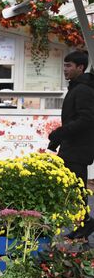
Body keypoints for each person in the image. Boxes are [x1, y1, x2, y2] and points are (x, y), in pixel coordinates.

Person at [48, 50, 94, 239]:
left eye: (69, 66)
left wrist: (60, 133)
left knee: (75, 186)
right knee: (75, 186)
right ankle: (84, 223)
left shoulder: (83, 90)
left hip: (78, 147)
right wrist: (58, 138)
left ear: (80, 68)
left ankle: (85, 223)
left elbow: (86, 119)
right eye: (64, 65)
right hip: (72, 145)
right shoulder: (76, 87)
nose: (65, 69)